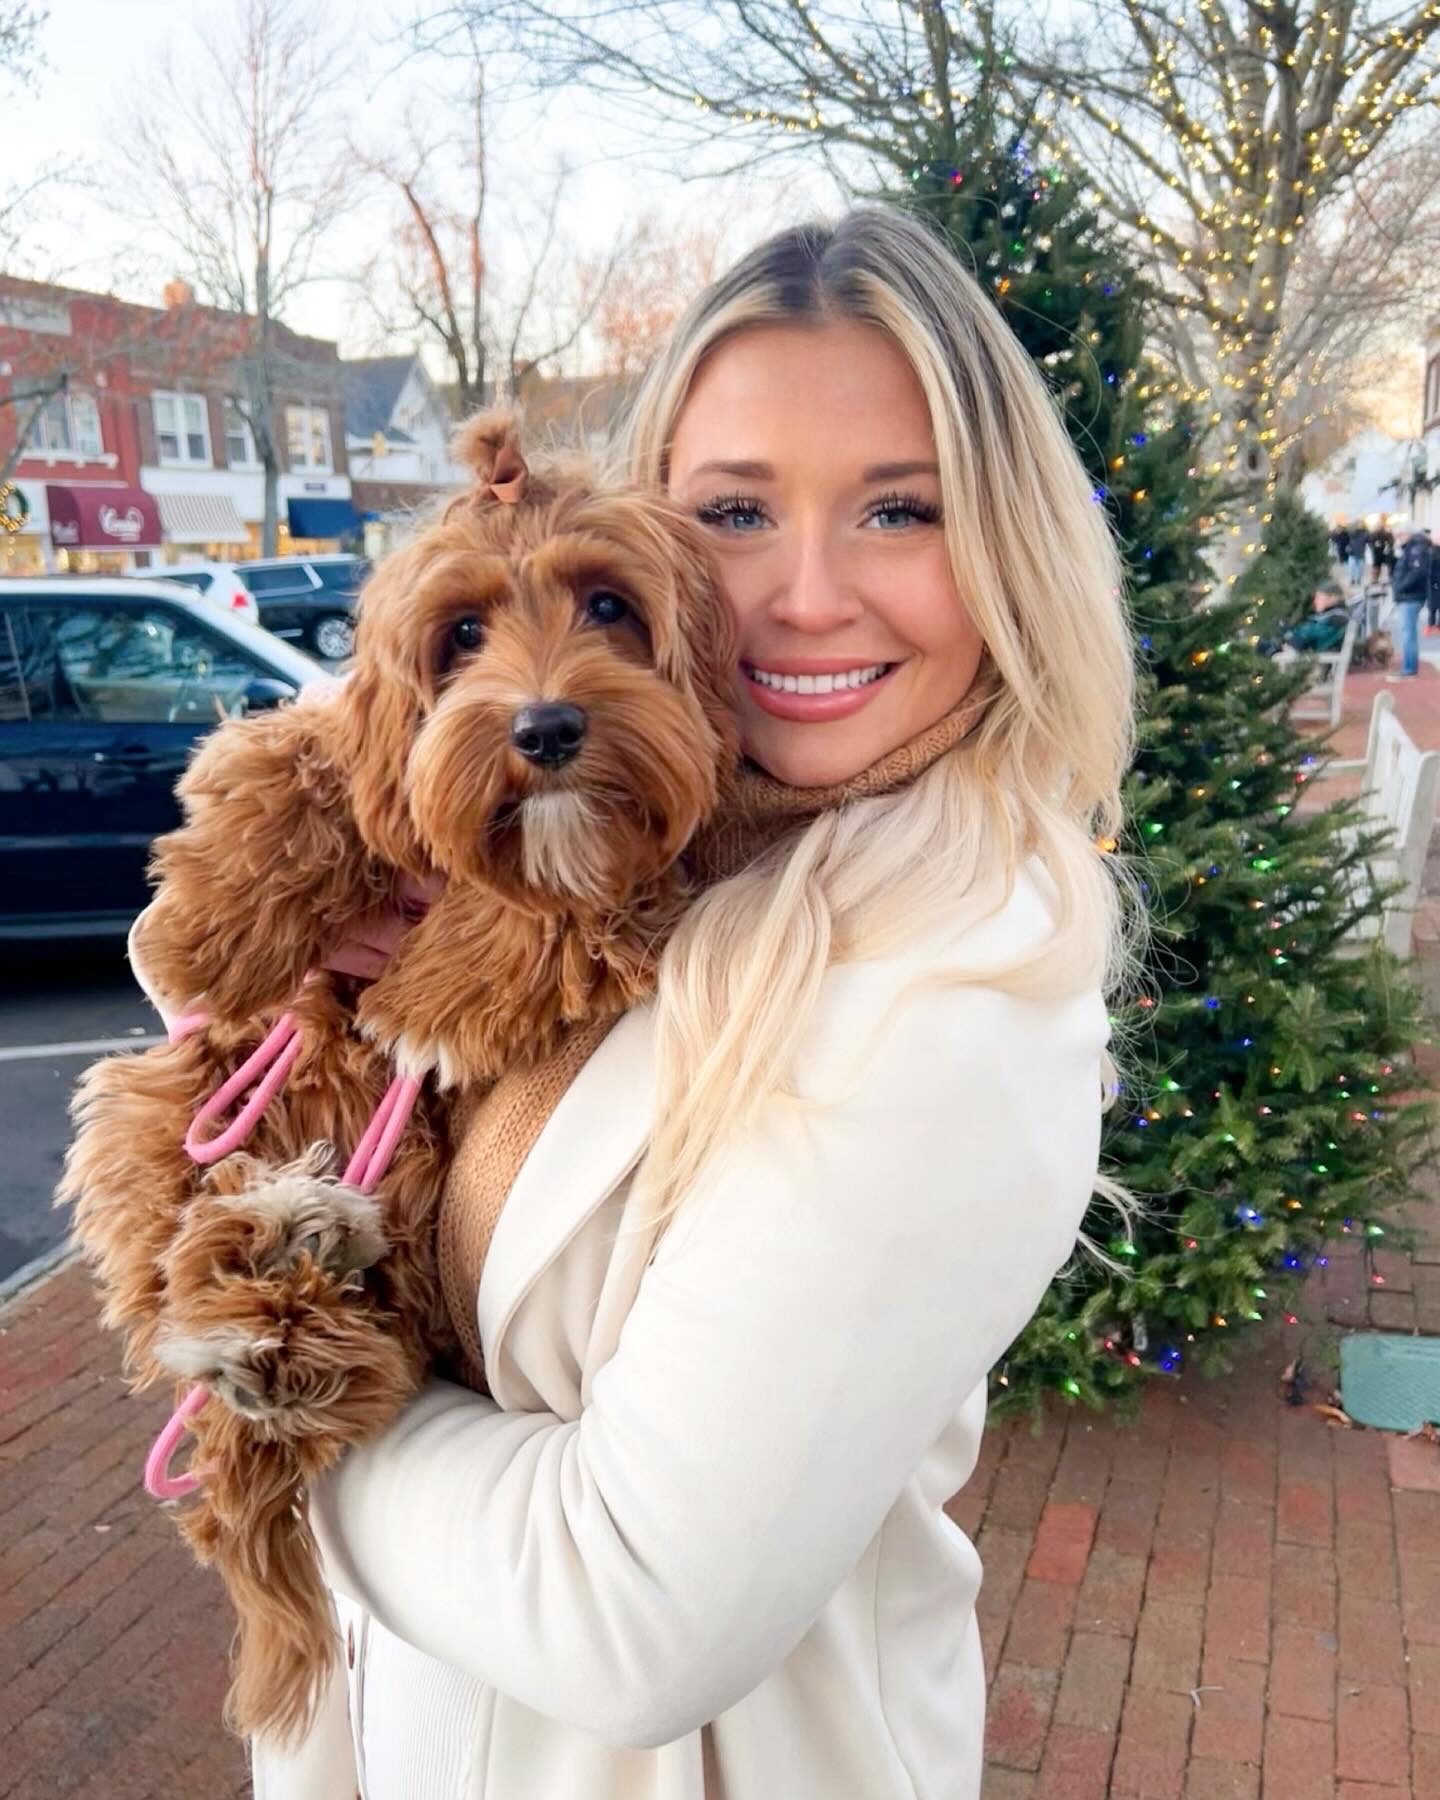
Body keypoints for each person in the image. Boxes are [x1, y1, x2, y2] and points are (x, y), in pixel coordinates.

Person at [130, 208, 1134, 1800]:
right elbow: (227, 937)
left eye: (899, 510)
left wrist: (277, 1395)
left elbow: (627, 1615)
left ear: (1005, 547)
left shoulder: (953, 997)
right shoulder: (683, 836)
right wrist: (302, 912)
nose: (803, 595)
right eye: (736, 511)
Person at [1257, 581, 1350, 659]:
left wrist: (1289, 638)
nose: (1315, 601)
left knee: (1266, 649)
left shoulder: (1336, 618)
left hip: (1311, 659)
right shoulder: (1333, 616)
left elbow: (1310, 635)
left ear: (1332, 598)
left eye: (1319, 597)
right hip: (1307, 655)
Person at [1389, 526, 1434, 679]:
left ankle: (1409, 668)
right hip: (1410, 595)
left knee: (1408, 634)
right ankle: (1409, 666)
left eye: (1400, 535)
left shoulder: (1416, 549)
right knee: (1407, 633)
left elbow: (1417, 572)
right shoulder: (1412, 548)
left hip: (1410, 596)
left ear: (1408, 534)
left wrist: (1401, 587)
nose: (1398, 538)